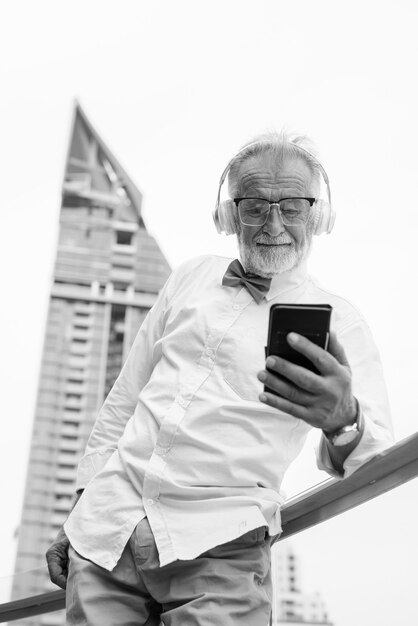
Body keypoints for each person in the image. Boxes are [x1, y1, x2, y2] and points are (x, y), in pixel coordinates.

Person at [46, 131, 394, 625]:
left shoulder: (343, 321)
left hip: (220, 550)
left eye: (292, 207)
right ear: (229, 215)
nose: (274, 223)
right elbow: (123, 402)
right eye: (254, 205)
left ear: (318, 216)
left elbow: (376, 455)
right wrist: (82, 508)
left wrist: (343, 420)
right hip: (107, 537)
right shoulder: (188, 278)